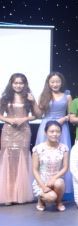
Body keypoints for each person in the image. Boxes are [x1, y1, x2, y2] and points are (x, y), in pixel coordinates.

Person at [0, 73, 37, 205]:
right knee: (8, 160)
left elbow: (37, 115)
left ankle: (20, 194)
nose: (18, 85)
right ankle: (8, 195)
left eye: (21, 83)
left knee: (22, 159)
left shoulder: (28, 97)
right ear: (11, 84)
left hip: (23, 131)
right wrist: (8, 119)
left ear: (25, 84)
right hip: (8, 131)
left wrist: (25, 117)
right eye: (16, 83)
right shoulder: (5, 97)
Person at [35, 72, 73, 196]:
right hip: (46, 126)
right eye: (52, 82)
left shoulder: (67, 96)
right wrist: (33, 102)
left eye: (57, 82)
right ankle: (42, 188)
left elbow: (71, 115)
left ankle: (60, 190)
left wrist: (64, 119)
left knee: (62, 156)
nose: (55, 84)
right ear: (48, 83)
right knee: (43, 156)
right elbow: (39, 114)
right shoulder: (44, 95)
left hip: (62, 127)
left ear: (61, 83)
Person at [32, 121, 69, 211]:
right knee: (51, 197)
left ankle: (58, 202)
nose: (55, 134)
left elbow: (65, 167)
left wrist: (53, 178)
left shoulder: (64, 148)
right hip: (42, 181)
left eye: (57, 131)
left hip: (56, 179)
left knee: (59, 183)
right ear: (46, 132)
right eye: (52, 131)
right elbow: (35, 170)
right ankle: (41, 200)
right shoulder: (38, 149)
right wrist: (43, 186)